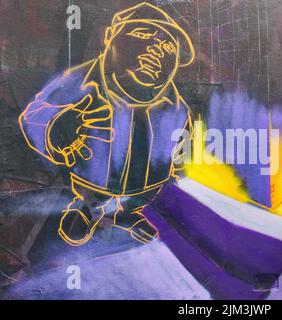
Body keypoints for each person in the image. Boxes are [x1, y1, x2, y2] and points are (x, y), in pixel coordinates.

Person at [18, 2, 195, 246]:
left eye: (168, 45)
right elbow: (35, 116)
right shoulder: (81, 82)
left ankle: (131, 216)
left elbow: (182, 151)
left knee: (142, 203)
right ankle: (86, 213)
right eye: (142, 34)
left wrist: (178, 178)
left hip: (147, 190)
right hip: (91, 185)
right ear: (111, 37)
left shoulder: (176, 107)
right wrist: (56, 132)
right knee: (88, 203)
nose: (157, 48)